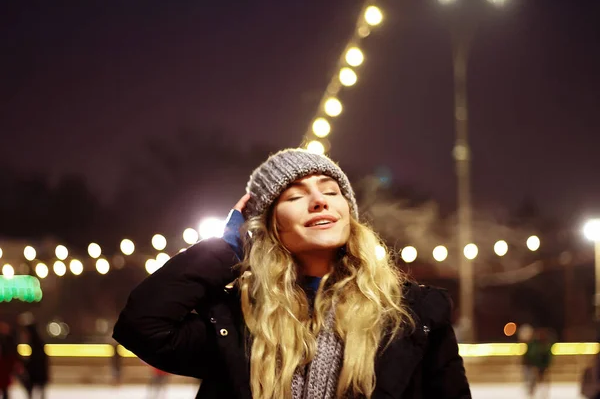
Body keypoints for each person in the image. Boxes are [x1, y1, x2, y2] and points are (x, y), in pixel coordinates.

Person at [113, 148, 471, 399]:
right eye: (295, 196)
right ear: (270, 226)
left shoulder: (413, 314)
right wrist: (227, 249)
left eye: (331, 191)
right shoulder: (237, 321)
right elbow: (143, 324)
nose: (320, 201)